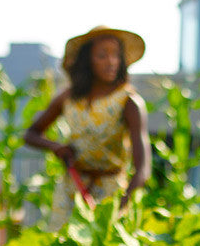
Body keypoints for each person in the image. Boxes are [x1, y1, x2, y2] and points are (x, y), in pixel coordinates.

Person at [24, 25, 150, 217]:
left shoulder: (129, 102)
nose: (111, 62)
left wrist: (122, 204)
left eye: (116, 55)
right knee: (62, 244)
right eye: (102, 55)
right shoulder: (69, 98)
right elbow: (31, 134)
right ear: (87, 61)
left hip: (111, 193)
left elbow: (143, 169)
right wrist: (56, 147)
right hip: (72, 188)